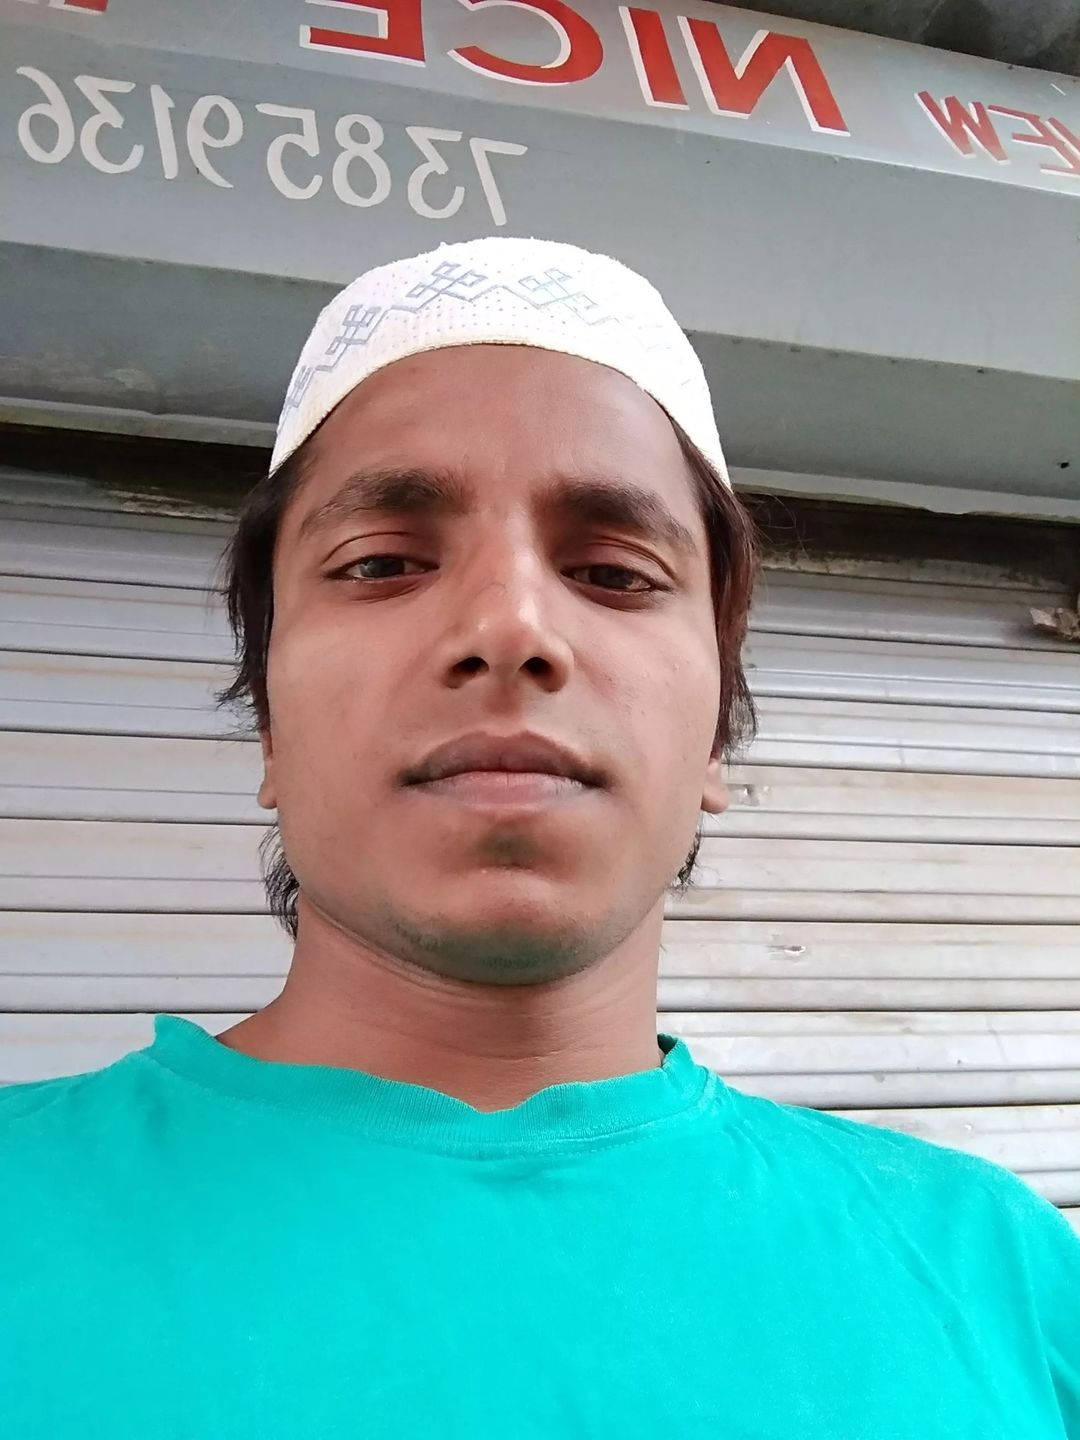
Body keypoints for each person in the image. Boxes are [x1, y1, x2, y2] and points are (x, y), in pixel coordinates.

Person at [2, 236, 1077, 1439]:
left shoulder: (1009, 1278)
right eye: (383, 562)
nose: (511, 627)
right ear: (268, 724)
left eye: (614, 574)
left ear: (717, 734)